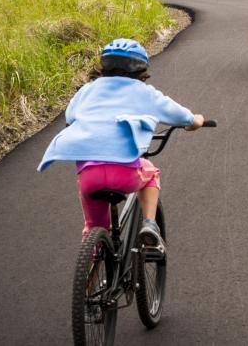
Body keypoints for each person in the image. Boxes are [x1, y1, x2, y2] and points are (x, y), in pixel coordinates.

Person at [37, 38, 205, 253]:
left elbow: (70, 117)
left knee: (94, 229)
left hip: (90, 177)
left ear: (104, 65)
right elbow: (179, 115)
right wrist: (195, 121)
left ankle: (91, 269)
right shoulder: (144, 92)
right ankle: (149, 225)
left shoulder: (87, 90)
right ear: (141, 69)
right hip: (124, 174)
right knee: (151, 174)